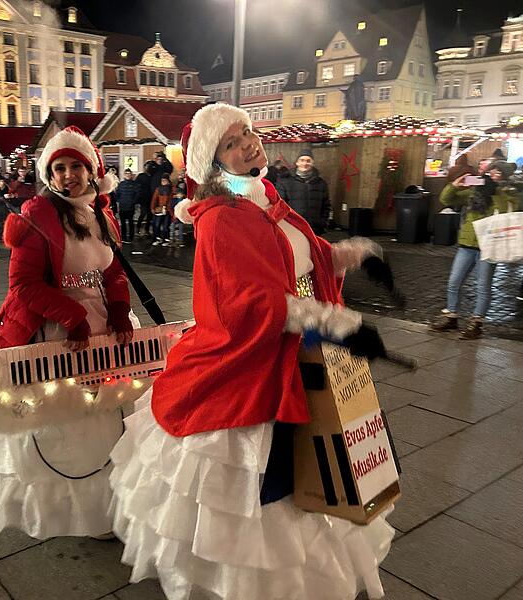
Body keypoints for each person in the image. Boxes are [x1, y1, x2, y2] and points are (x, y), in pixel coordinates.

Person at [108, 103, 394, 600]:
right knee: (261, 485)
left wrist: (342, 255)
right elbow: (247, 303)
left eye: (246, 132)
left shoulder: (264, 195)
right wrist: (327, 318)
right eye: (231, 143)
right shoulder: (221, 217)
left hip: (303, 347)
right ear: (214, 163)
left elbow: (298, 251)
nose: (247, 144)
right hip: (258, 356)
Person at [0, 126, 136, 540]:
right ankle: (75, 511)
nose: (68, 175)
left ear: (92, 170)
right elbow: (23, 284)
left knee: (110, 413)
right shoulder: (36, 216)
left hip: (101, 329)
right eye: (58, 168)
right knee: (68, 418)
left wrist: (119, 309)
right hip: (57, 328)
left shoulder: (101, 214)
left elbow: (112, 272)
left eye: (76, 165)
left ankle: (110, 506)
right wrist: (72, 315)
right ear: (49, 175)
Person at [430, 160, 521, 339]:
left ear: (504, 176)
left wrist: (497, 188)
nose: (491, 174)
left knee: (483, 286)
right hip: (467, 244)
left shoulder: (508, 192)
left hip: (489, 247)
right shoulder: (474, 190)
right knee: (454, 282)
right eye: (490, 171)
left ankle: (477, 322)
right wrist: (454, 185)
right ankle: (451, 317)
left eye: (498, 173)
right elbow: (446, 200)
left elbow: (509, 209)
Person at [276, 150, 331, 234]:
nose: (305, 163)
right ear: (297, 163)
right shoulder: (285, 182)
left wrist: (323, 222)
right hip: (293, 227)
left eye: (308, 161)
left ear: (313, 163)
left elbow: (326, 205)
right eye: (302, 160)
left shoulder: (321, 183)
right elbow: (280, 205)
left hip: (314, 228)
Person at [116, 168, 138, 243]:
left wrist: (133, 202)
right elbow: (117, 194)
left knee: (131, 222)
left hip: (130, 207)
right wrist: (119, 201)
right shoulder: (121, 184)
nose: (128, 175)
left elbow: (137, 194)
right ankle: (124, 237)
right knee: (123, 223)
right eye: (126, 174)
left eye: (129, 174)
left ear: (131, 175)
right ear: (124, 175)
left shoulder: (134, 184)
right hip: (122, 206)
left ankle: (131, 237)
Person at [150, 173, 173, 246]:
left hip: (167, 210)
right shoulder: (158, 189)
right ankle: (158, 238)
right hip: (159, 210)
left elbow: (172, 200)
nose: (163, 182)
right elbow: (154, 199)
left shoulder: (171, 189)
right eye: (162, 180)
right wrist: (153, 208)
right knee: (157, 225)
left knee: (166, 226)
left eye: (165, 180)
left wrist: (168, 208)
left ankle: (166, 239)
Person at [135, 161, 156, 236]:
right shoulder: (141, 176)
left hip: (151, 198)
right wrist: (138, 197)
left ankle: (146, 229)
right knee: (143, 213)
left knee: (149, 215)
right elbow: (136, 186)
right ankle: (138, 228)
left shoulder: (153, 176)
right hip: (143, 198)